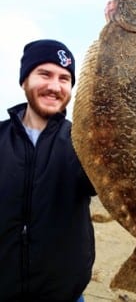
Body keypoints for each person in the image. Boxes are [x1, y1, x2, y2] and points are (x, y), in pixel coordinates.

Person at [0, 39, 96, 301]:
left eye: (65, 78)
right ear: (24, 81)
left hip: (64, 295)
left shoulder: (86, 143)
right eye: (44, 74)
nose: (55, 86)